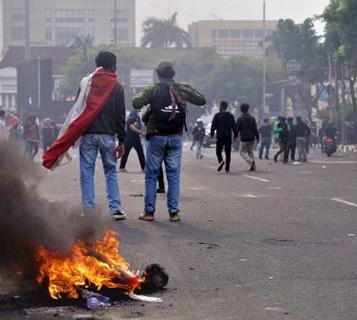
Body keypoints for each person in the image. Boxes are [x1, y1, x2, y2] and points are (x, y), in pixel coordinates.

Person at [41, 51, 127, 220]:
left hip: (88, 136)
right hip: (108, 136)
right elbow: (120, 116)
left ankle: (88, 210)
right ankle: (115, 209)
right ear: (112, 65)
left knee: (87, 173)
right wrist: (122, 140)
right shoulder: (117, 86)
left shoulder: (85, 83)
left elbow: (77, 111)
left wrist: (73, 134)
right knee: (111, 172)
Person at [133, 60, 206, 222]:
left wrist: (149, 98)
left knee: (151, 175)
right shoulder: (181, 89)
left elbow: (136, 102)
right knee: (173, 175)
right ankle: (173, 213)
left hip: (156, 136)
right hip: (175, 136)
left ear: (158, 74)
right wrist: (186, 87)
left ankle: (149, 212)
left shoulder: (153, 89)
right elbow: (201, 100)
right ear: (172, 73)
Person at [210, 101, 237, 173]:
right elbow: (234, 127)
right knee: (228, 153)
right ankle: (227, 168)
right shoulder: (230, 116)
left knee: (218, 150)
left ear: (221, 107)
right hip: (228, 136)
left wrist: (212, 134)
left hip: (220, 136)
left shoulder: (217, 115)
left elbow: (213, 126)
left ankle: (221, 160)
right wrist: (235, 136)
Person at [236, 103, 259, 171]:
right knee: (250, 151)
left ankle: (250, 161)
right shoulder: (252, 118)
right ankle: (253, 165)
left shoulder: (240, 119)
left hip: (244, 138)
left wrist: (235, 136)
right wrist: (257, 137)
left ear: (241, 110)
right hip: (252, 138)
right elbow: (255, 129)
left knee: (241, 152)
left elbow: (237, 129)